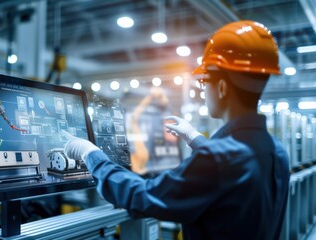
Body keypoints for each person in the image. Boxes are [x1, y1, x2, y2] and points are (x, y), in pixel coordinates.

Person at [62, 20, 290, 240]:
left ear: (221, 87)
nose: (202, 90)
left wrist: (91, 155)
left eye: (204, 81)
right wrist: (194, 138)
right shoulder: (276, 151)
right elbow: (232, 167)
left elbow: (143, 196)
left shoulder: (217, 160)